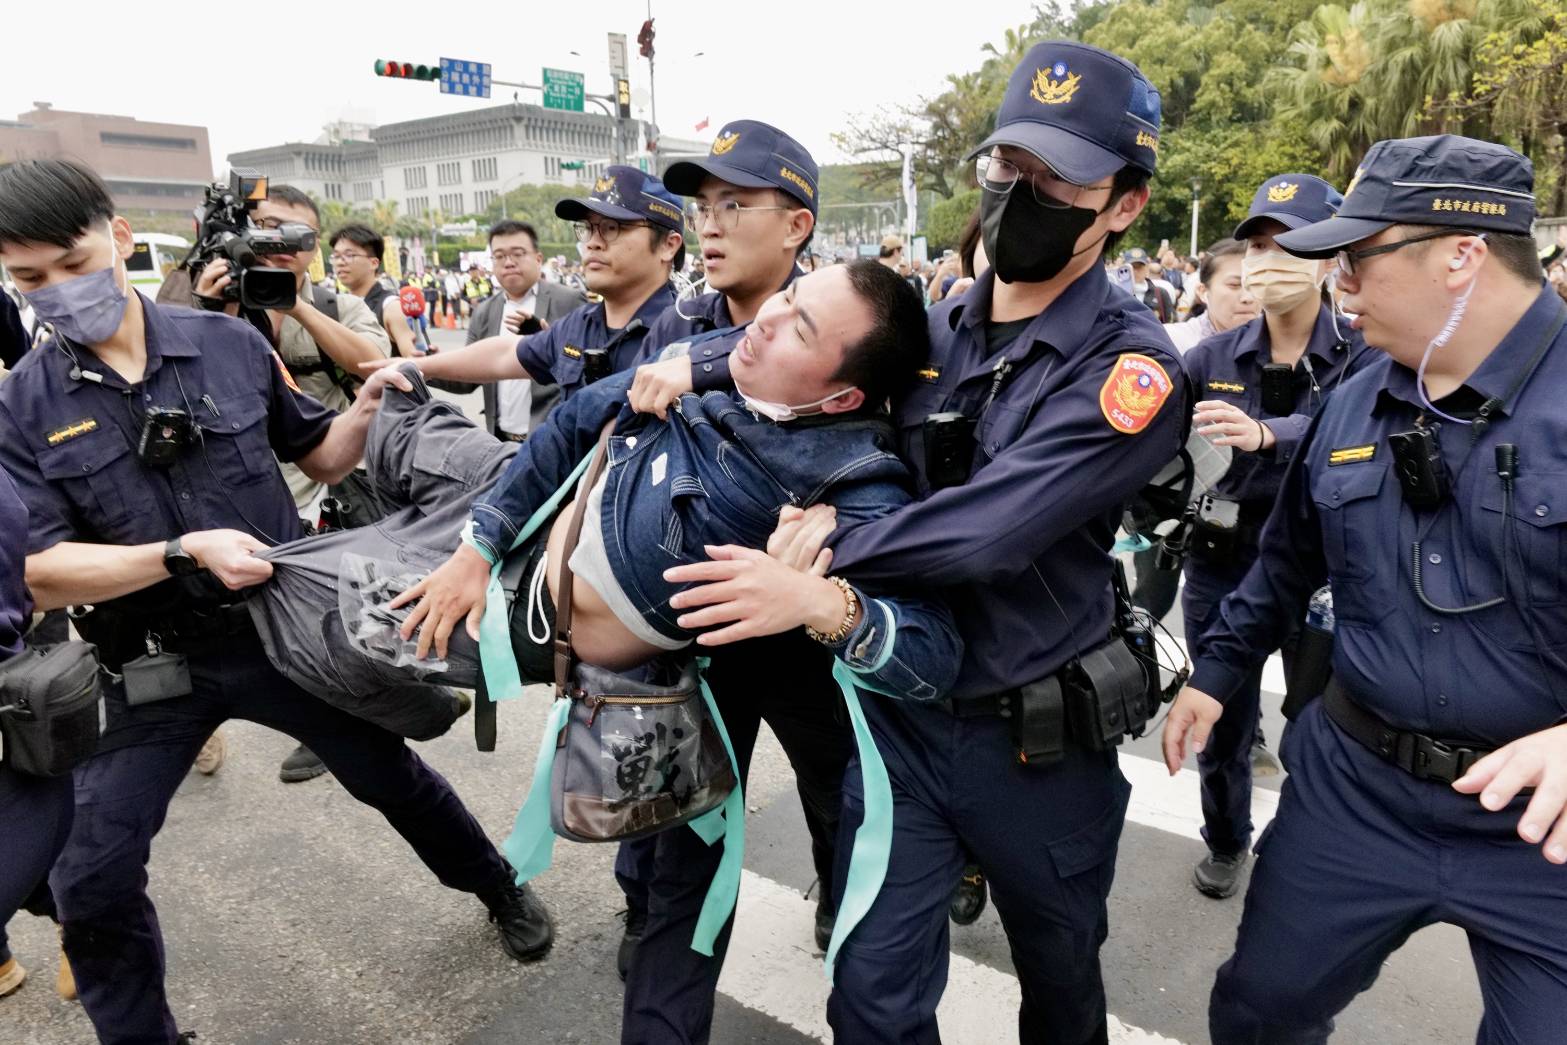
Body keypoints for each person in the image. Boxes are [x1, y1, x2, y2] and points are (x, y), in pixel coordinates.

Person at [667, 41, 1187, 1044]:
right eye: (1009, 168)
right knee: (869, 996)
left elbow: (991, 531)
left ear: (1123, 204)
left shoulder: (1132, 369)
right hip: (899, 725)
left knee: (1061, 982)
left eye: (1058, 180)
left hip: (1035, 748)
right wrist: (690, 369)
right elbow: (801, 355)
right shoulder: (938, 325)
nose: (1021, 194)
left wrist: (828, 555)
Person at [0, 159, 553, 1045]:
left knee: (390, 778)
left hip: (282, 634)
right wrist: (175, 552)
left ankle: (497, 886)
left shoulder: (229, 343)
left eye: (73, 262)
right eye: (29, 280)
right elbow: (38, 569)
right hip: (147, 665)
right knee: (91, 873)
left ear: (121, 239)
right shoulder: (21, 406)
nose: (59, 292)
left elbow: (322, 457)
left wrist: (367, 405)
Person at [1162, 134, 1567, 1044]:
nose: (1338, 286)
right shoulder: (1351, 400)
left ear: (1462, 255)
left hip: (1541, 828)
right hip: (1358, 791)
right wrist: (1213, 673)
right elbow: (1284, 559)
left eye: (1358, 259)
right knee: (1257, 1011)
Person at [618, 120, 855, 993]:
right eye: (702, 206)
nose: (709, 225)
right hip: (689, 626)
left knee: (833, 781)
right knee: (679, 818)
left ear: (796, 224)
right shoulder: (672, 324)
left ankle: (837, 894)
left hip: (803, 634)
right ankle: (660, 936)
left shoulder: (850, 320)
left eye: (734, 205)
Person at [1177, 174, 1376, 900]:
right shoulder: (1209, 359)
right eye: (1256, 244)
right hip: (1220, 563)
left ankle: (1303, 846)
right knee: (1218, 717)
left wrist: (1269, 434)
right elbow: (1159, 450)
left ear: (1326, 255)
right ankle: (1226, 838)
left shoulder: (1362, 354)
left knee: (1319, 725)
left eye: (1287, 243)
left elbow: (1363, 436)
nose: (1267, 260)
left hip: (1321, 573)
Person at [191, 185, 391, 785]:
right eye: (266, 230)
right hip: (252, 489)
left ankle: (354, 721)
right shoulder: (223, 304)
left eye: (293, 238)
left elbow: (369, 362)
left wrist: (298, 305)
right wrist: (212, 310)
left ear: (312, 250)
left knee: (340, 614)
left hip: (330, 483)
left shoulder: (336, 303)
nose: (276, 247)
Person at [400, 167, 682, 407]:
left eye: (612, 228)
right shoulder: (577, 326)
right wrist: (416, 366)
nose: (593, 242)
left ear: (668, 245)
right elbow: (503, 355)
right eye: (587, 228)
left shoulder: (690, 334)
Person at [465, 219, 587, 440]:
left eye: (518, 253)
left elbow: (587, 364)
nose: (508, 262)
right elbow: (468, 375)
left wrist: (545, 342)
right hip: (499, 440)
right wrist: (421, 364)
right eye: (500, 256)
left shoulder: (569, 301)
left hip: (552, 441)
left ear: (538, 259)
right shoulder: (484, 312)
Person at [328, 223, 419, 357]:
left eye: (349, 255)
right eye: (336, 256)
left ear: (374, 263)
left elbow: (414, 361)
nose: (340, 262)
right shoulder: (337, 305)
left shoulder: (391, 307)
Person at [1164, 240, 1259, 353]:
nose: (1248, 298)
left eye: (1256, 284)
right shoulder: (1173, 343)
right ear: (1203, 291)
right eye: (1234, 285)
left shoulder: (1279, 343)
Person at [1124, 246, 1177, 322]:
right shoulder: (1117, 294)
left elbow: (1171, 321)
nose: (1135, 271)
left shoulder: (1160, 293)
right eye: (1132, 267)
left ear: (1147, 268)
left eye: (1139, 267)